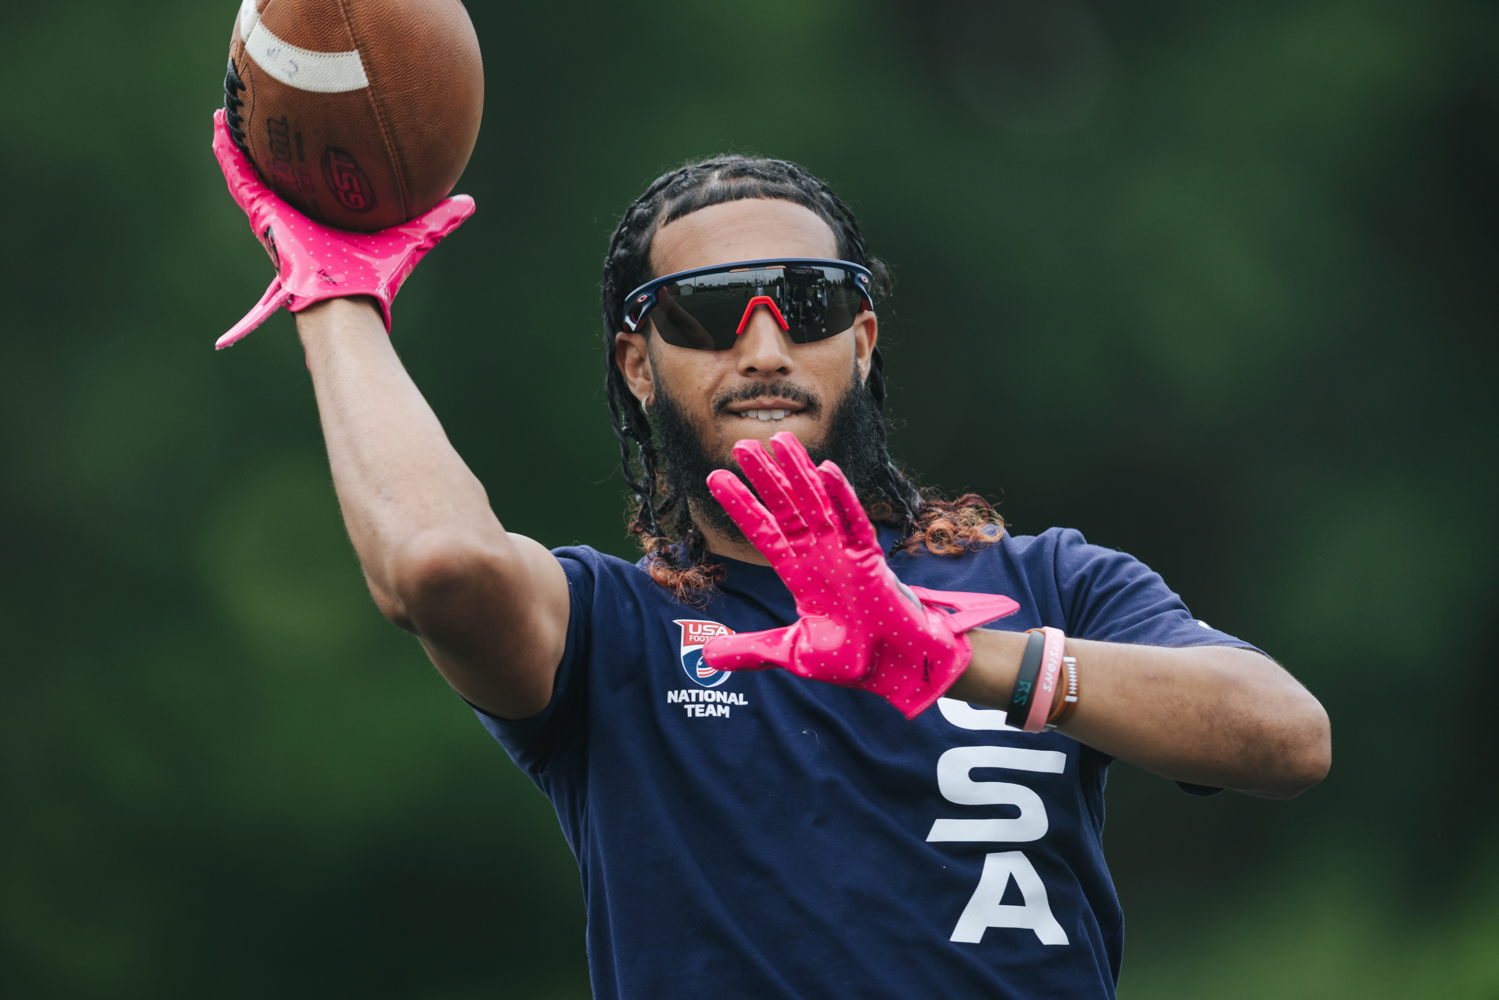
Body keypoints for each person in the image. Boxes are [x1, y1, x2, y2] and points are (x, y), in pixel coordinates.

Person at [211, 112, 1331, 999]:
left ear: (861, 341)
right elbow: (437, 567)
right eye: (702, 313)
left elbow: (1286, 736)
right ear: (638, 365)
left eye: (805, 303)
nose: (761, 347)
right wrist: (337, 293)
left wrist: (958, 659)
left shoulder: (1046, 583)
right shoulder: (615, 632)